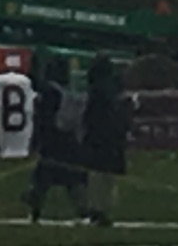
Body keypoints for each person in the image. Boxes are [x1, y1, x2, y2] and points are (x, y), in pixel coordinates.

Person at [26, 57, 88, 222]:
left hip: (53, 140)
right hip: (68, 139)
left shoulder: (50, 92)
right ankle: (82, 209)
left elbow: (45, 120)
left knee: (46, 178)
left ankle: (35, 210)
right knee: (71, 178)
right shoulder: (70, 92)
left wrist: (37, 141)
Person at [83, 58, 129, 228]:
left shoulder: (96, 91)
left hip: (98, 137)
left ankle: (96, 209)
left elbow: (90, 116)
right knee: (109, 178)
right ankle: (106, 209)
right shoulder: (116, 89)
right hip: (115, 138)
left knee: (96, 175)